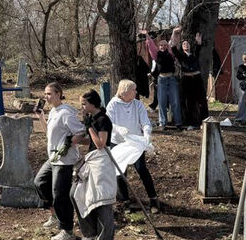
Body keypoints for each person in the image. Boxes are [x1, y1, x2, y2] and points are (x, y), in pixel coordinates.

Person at [34, 82, 86, 240]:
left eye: (49, 94)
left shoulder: (66, 113)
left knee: (60, 195)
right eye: (45, 94)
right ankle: (54, 214)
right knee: (40, 182)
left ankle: (67, 231)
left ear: (58, 94)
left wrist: (69, 143)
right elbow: (49, 134)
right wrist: (41, 118)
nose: (46, 97)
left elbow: (81, 131)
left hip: (65, 161)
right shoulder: (53, 111)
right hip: (53, 158)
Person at [106, 80, 161, 213]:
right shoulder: (113, 104)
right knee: (120, 172)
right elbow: (109, 123)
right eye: (133, 90)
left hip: (135, 142)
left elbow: (145, 122)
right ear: (125, 91)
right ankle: (125, 201)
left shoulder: (138, 104)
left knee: (141, 169)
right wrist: (119, 129)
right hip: (118, 142)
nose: (136, 92)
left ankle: (153, 199)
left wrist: (147, 133)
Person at [72, 90, 116, 240]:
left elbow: (100, 144)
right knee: (75, 194)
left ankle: (105, 236)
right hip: (91, 160)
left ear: (93, 103)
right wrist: (75, 140)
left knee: (101, 200)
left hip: (101, 162)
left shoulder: (103, 119)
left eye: (84, 104)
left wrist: (89, 127)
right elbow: (92, 142)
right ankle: (90, 233)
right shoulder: (92, 118)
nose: (82, 107)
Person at [170, 27, 208, 130]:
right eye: (183, 44)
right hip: (187, 80)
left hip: (197, 79)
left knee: (201, 100)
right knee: (188, 102)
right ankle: (190, 122)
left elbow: (199, 46)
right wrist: (174, 33)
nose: (185, 45)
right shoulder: (181, 56)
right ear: (182, 47)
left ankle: (204, 121)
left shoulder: (194, 54)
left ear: (190, 46)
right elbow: (172, 46)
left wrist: (198, 42)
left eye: (187, 44)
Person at [142, 29, 182, 128]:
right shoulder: (156, 54)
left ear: (167, 46)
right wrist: (147, 35)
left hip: (171, 79)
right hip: (161, 80)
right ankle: (163, 122)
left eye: (165, 45)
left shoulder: (170, 53)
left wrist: (174, 32)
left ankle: (178, 122)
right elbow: (151, 46)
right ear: (159, 47)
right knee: (162, 102)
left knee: (175, 101)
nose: (163, 47)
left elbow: (172, 42)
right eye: (161, 45)